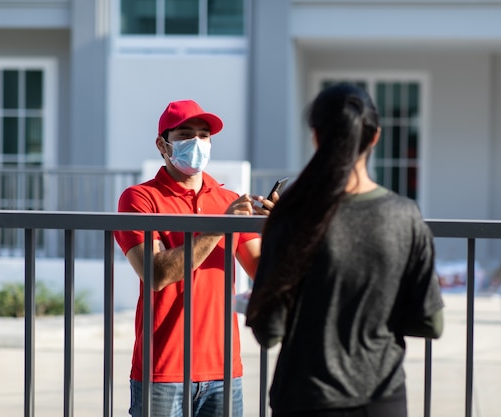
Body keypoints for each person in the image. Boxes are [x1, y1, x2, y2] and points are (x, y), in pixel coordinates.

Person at [245, 83, 444, 417]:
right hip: (384, 398)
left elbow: (269, 331)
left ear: (316, 138)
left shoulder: (291, 217)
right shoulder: (406, 214)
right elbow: (431, 322)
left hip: (306, 398)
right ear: (375, 137)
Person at [114, 99, 275, 417]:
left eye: (204, 135)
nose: (197, 143)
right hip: (162, 371)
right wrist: (221, 227)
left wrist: (280, 231)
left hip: (224, 370)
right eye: (186, 135)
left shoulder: (227, 200)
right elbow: (156, 273)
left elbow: (264, 272)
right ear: (163, 144)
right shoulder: (139, 198)